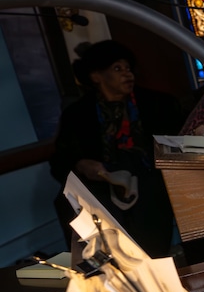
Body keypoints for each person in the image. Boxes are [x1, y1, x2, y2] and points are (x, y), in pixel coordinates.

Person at [50, 40, 184, 258]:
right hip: (101, 185)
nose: (127, 74)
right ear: (96, 76)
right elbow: (59, 161)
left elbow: (178, 146)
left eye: (128, 68)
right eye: (118, 69)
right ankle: (105, 269)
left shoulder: (159, 104)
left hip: (150, 180)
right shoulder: (77, 114)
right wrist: (81, 164)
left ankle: (153, 262)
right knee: (76, 201)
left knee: (152, 196)